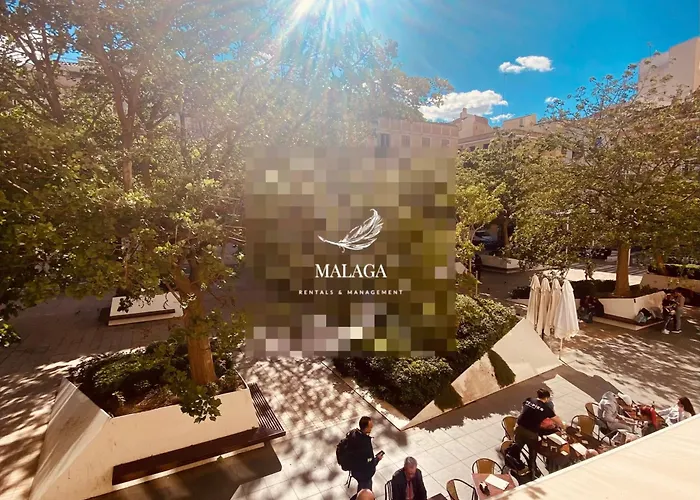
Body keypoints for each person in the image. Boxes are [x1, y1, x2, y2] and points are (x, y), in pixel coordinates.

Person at [514, 388, 565, 480]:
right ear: (547, 398)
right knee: (532, 453)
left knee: (517, 449)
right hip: (531, 433)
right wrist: (563, 427)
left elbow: (524, 412)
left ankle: (517, 467)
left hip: (519, 428)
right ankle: (533, 472)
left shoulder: (529, 400)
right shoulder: (545, 408)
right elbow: (557, 420)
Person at [348, 416, 382, 498]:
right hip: (364, 475)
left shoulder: (354, 434)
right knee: (365, 494)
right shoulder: (365, 444)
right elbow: (369, 462)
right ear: (366, 428)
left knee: (361, 490)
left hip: (355, 471)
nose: (372, 427)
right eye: (370, 426)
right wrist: (377, 459)